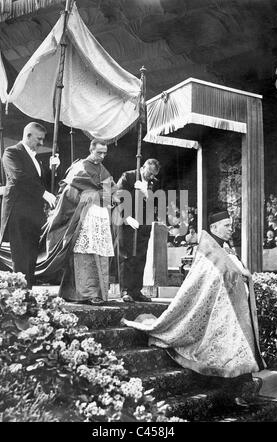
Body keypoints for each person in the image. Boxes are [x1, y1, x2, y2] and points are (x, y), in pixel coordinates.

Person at [122, 209, 265, 383]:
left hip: (232, 311)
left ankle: (241, 383)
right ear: (214, 227)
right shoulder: (208, 252)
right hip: (217, 311)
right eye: (227, 225)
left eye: (231, 226)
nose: (231, 229)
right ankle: (233, 386)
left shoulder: (226, 248)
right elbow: (207, 281)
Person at [36, 139, 119, 305]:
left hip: (100, 218)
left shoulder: (104, 170)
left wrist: (110, 197)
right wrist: (93, 196)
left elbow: (112, 192)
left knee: (99, 254)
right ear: (91, 149)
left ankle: (97, 292)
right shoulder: (80, 167)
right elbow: (69, 193)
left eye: (104, 153)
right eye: (99, 153)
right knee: (83, 254)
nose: (102, 156)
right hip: (84, 218)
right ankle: (86, 293)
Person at [0, 122, 59, 288]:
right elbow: (19, 177)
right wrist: (44, 194)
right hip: (18, 212)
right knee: (20, 257)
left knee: (31, 256)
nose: (41, 143)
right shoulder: (11, 152)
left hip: (33, 214)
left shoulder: (36, 159)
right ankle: (20, 294)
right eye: (39, 139)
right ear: (28, 135)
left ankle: (28, 294)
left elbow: (42, 182)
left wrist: (52, 169)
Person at [116, 158, 161, 303]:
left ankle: (136, 291)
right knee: (127, 256)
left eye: (154, 175)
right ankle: (125, 291)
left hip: (144, 225)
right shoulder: (128, 177)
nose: (151, 177)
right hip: (129, 223)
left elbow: (157, 202)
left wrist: (146, 191)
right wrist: (126, 217)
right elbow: (117, 197)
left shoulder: (153, 183)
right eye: (149, 173)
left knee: (141, 257)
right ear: (143, 168)